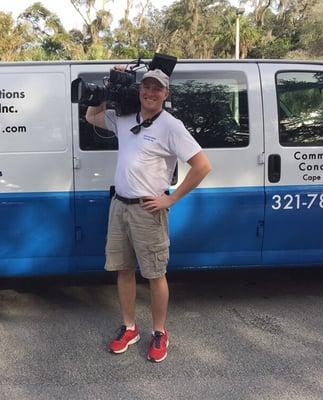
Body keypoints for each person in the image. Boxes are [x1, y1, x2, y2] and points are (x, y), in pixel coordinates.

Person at [85, 67, 212, 363]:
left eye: (157, 89)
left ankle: (159, 332)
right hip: (119, 205)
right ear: (140, 90)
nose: (150, 93)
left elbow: (203, 165)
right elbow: (92, 117)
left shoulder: (171, 126)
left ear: (166, 94)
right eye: (146, 87)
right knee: (123, 269)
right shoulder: (126, 117)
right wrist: (103, 92)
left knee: (155, 274)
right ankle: (130, 328)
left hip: (147, 209)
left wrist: (171, 199)